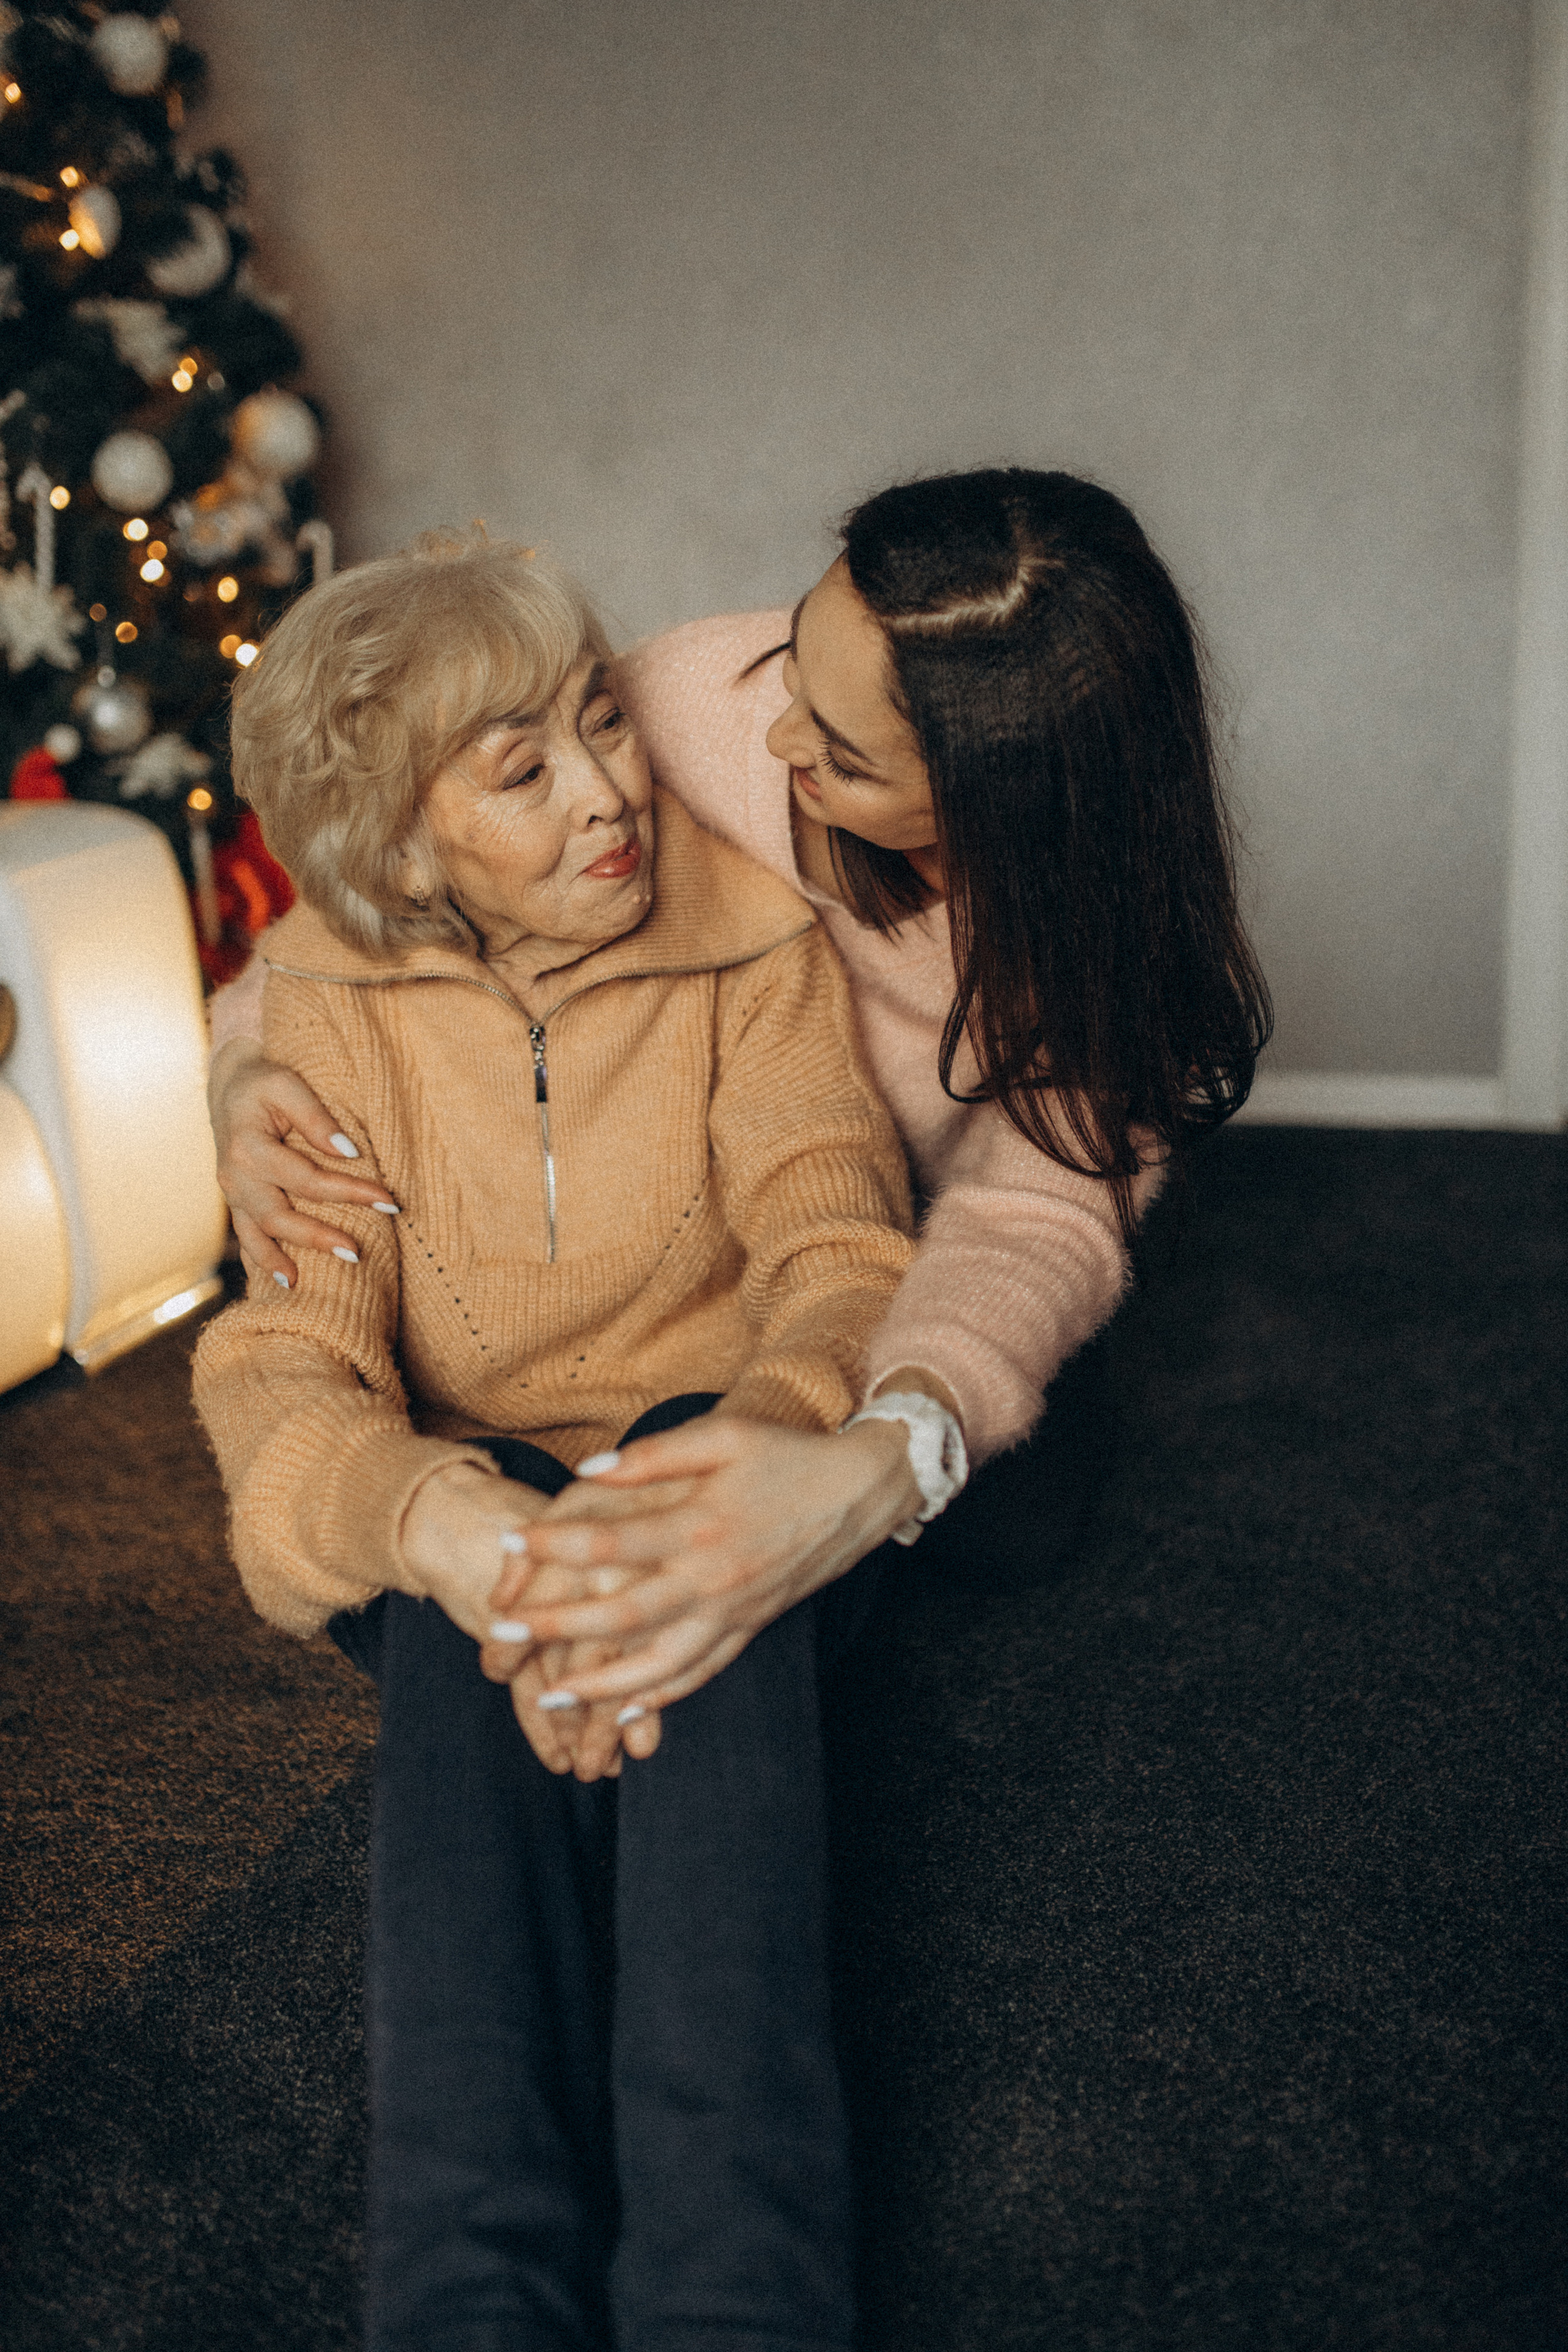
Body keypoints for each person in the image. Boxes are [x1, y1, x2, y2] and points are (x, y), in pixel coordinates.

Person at [191, 529, 937, 2352]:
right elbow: (288, 1365)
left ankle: (735, 2301)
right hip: (474, 1497)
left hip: (728, 1460)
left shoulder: (751, 946)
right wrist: (453, 1529)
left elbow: (839, 1252)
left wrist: (743, 1454)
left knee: (690, 1511)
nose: (613, 791)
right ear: (403, 848)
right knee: (459, 1617)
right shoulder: (328, 1019)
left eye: (599, 721)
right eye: (523, 772)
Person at [208, 464, 1270, 1740]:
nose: (773, 738)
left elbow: (1032, 1222)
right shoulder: (674, 711)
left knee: (1003, 1517)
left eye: (835, 747)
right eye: (792, 668)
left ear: (995, 802)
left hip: (899, 1234)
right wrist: (241, 1077)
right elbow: (375, 909)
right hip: (706, 1208)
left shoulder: (1106, 948)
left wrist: (878, 1451)